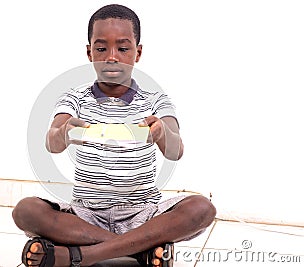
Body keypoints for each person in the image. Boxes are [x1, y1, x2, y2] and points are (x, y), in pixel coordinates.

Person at [12, 4, 216, 267]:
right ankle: (139, 250)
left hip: (143, 215)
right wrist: (64, 132)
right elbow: (51, 142)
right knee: (27, 211)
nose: (111, 57)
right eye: (101, 48)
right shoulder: (74, 98)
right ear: (89, 52)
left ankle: (81, 256)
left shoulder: (156, 100)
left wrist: (162, 133)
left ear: (137, 52)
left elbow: (176, 149)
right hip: (85, 216)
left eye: (122, 48)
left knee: (202, 208)